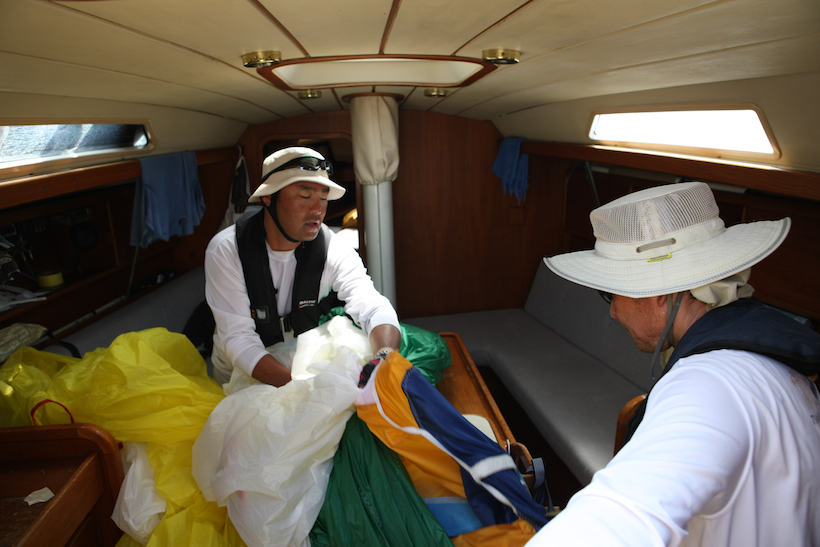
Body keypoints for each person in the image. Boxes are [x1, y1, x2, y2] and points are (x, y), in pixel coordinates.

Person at [527, 182, 820, 546]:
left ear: (660, 295)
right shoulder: (774, 362)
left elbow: (621, 518)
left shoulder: (705, 389)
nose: (613, 312)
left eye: (610, 294)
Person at [204, 146, 401, 386]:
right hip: (241, 372)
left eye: (323, 197)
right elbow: (238, 339)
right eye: (305, 196)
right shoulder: (227, 250)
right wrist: (301, 391)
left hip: (298, 360)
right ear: (268, 197)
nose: (317, 209)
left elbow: (372, 306)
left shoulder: (332, 249)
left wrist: (385, 355)